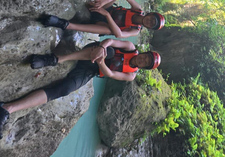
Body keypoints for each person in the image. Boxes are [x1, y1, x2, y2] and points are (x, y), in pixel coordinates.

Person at [0, 38, 161, 139]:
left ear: (144, 67)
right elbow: (111, 41)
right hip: (93, 50)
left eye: (145, 62)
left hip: (91, 69)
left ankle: (7, 108)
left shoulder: (131, 75)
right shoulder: (130, 47)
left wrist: (100, 61)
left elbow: (110, 73)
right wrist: (102, 48)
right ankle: (53, 59)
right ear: (144, 52)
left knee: (65, 89)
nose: (142, 59)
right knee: (110, 51)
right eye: (145, 56)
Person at [41, 0, 165, 38]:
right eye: (152, 19)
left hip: (101, 23)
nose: (149, 21)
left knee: (110, 30)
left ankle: (65, 25)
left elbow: (119, 35)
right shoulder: (138, 10)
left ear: (149, 27)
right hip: (102, 7)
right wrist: (106, 0)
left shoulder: (135, 30)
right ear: (150, 14)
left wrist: (105, 14)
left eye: (151, 24)